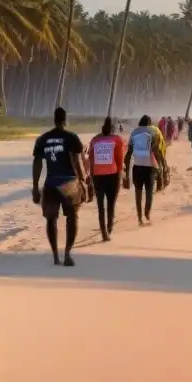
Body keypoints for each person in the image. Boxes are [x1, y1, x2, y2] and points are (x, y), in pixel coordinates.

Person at [32, 107, 88, 267]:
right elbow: (77, 162)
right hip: (69, 183)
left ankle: (56, 255)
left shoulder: (43, 139)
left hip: (50, 183)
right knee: (72, 217)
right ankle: (68, 254)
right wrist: (83, 182)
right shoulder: (71, 137)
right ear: (65, 120)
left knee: (51, 219)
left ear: (54, 120)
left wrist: (36, 187)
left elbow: (37, 162)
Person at [124, 115, 168, 225]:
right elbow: (157, 151)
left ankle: (139, 218)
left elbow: (128, 154)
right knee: (149, 192)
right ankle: (147, 213)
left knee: (138, 193)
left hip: (137, 166)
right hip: (150, 167)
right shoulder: (153, 132)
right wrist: (163, 166)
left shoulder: (134, 133)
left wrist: (126, 174)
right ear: (149, 123)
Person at [88, 116, 124, 242]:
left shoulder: (94, 140)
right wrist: (121, 177)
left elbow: (91, 160)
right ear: (113, 128)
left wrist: (91, 177)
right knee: (111, 204)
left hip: (97, 176)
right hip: (113, 176)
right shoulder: (117, 140)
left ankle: (104, 232)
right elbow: (119, 161)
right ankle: (109, 228)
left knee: (100, 206)